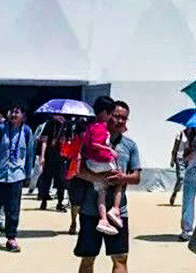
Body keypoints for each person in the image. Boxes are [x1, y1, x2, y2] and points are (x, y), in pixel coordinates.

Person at [74, 100, 141, 273]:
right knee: (88, 258)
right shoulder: (90, 140)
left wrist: (122, 178)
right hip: (90, 210)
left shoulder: (130, 146)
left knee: (120, 257)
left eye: (124, 118)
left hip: (118, 212)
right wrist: (100, 178)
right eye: (117, 116)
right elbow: (77, 170)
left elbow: (136, 177)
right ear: (108, 115)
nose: (120, 121)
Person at [0, 102, 34, 252]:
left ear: (23, 115)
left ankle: (11, 238)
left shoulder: (27, 132)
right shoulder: (0, 130)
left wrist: (28, 175)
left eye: (17, 112)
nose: (13, 114)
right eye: (11, 111)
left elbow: (29, 155)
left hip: (16, 176)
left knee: (13, 209)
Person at [81, 96, 122, 236]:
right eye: (110, 114)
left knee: (101, 190)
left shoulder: (90, 126)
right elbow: (95, 144)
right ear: (105, 112)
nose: (111, 117)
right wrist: (109, 150)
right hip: (101, 161)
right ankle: (115, 209)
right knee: (119, 178)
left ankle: (103, 219)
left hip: (92, 162)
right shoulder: (100, 127)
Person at [64, 117, 90, 235]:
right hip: (80, 173)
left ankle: (75, 223)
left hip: (79, 173)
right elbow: (67, 153)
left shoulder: (79, 140)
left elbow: (66, 153)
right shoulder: (78, 140)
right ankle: (74, 222)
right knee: (77, 201)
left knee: (78, 201)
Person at [38, 114, 67, 211]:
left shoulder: (66, 125)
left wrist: (65, 141)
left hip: (62, 156)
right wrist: (42, 156)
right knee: (46, 179)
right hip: (49, 155)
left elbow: (70, 140)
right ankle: (44, 200)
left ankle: (60, 202)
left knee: (61, 180)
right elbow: (44, 141)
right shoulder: (49, 124)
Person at [168, 128, 187, 206]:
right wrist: (172, 159)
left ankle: (187, 199)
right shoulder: (181, 134)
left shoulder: (194, 135)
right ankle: (175, 193)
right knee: (181, 178)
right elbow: (175, 147)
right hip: (179, 158)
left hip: (189, 160)